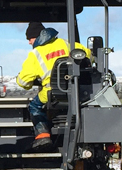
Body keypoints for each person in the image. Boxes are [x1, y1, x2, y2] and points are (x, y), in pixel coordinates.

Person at [15, 22, 89, 151]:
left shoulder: (36, 53)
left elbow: (23, 82)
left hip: (53, 93)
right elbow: (89, 57)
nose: (29, 42)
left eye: (29, 39)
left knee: (34, 106)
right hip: (77, 91)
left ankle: (43, 136)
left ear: (37, 37)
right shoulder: (68, 44)